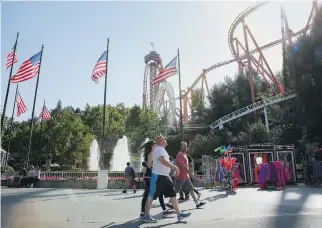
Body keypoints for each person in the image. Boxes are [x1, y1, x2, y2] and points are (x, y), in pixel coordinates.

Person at [143, 136, 191, 223]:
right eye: (164, 139)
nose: (166, 140)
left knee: (172, 194)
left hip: (164, 176)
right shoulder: (159, 149)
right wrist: (174, 167)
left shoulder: (161, 150)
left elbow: (153, 164)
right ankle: (146, 215)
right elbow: (163, 160)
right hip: (158, 177)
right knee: (152, 195)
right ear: (161, 141)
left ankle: (179, 214)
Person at [140, 140, 172, 220]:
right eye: (155, 143)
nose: (156, 144)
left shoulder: (154, 153)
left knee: (158, 193)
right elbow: (149, 165)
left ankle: (162, 210)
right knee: (147, 195)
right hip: (149, 177)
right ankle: (144, 213)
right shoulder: (151, 153)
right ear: (152, 146)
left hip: (152, 176)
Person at [168, 142, 206, 209]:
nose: (185, 148)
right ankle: (170, 203)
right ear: (181, 147)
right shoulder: (180, 155)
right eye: (184, 146)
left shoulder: (184, 154)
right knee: (176, 190)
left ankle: (197, 203)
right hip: (181, 176)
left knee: (191, 189)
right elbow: (183, 167)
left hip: (185, 176)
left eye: (186, 146)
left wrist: (189, 174)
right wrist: (191, 174)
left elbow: (186, 166)